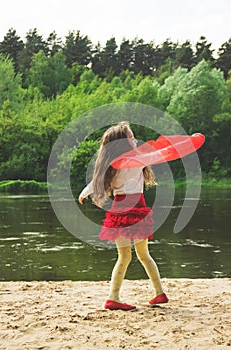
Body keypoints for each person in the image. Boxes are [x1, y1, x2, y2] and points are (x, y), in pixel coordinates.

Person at [78, 121, 168, 310]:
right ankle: (158, 292)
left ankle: (116, 297)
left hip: (120, 212)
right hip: (136, 210)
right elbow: (157, 155)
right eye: (131, 137)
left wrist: (84, 194)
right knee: (144, 254)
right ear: (124, 143)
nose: (134, 139)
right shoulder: (136, 161)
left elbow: (96, 183)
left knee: (124, 256)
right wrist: (176, 146)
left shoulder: (111, 167)